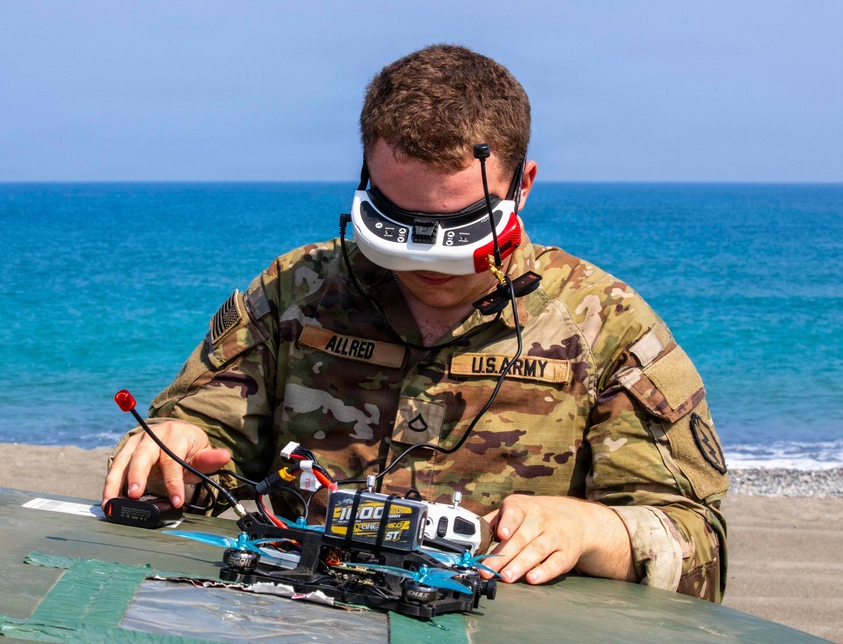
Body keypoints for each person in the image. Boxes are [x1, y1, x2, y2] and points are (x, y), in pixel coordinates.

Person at [103, 44, 729, 602]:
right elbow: (210, 451)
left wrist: (593, 530)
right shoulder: (299, 292)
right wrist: (174, 447)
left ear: (525, 185)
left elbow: (698, 548)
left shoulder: (606, 325)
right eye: (396, 218)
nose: (426, 256)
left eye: (457, 225)